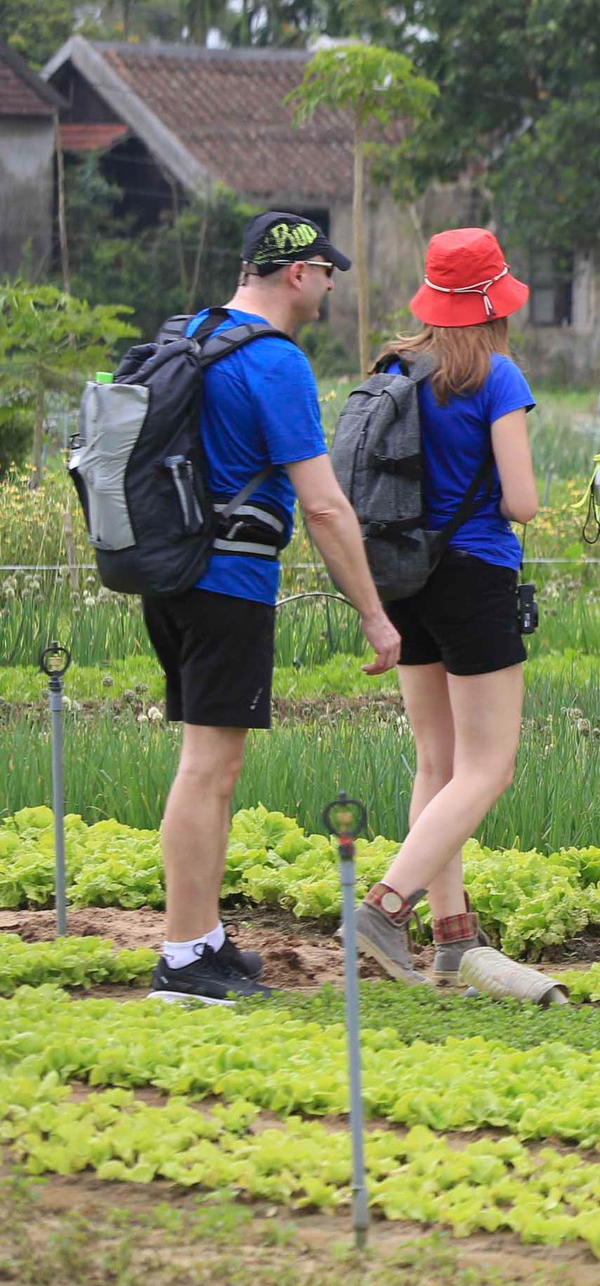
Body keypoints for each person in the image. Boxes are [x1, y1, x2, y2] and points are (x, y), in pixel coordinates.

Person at [149, 213, 401, 1002]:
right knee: (209, 769)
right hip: (229, 583)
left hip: (173, 573)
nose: (331, 287)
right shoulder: (273, 361)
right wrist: (373, 613)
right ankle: (185, 959)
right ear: (299, 272)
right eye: (329, 273)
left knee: (208, 764)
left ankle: (206, 937)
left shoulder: (191, 333)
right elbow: (323, 506)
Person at [344, 230, 543, 981]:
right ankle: (387, 906)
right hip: (475, 576)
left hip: (402, 578)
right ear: (493, 301)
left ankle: (453, 932)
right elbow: (521, 502)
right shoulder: (496, 377)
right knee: (488, 768)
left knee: (439, 760)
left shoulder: (395, 367)